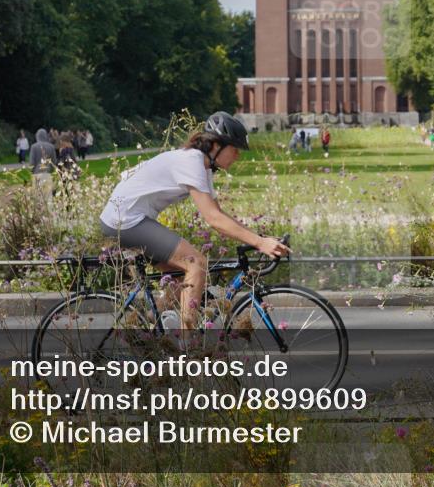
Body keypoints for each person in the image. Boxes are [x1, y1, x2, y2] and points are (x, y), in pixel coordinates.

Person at [99, 112, 291, 330]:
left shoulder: (203, 166)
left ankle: (147, 331)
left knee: (180, 277)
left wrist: (259, 239)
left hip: (131, 220)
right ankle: (188, 349)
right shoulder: (191, 161)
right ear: (217, 146)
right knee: (196, 263)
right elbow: (213, 219)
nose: (237, 156)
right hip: (124, 221)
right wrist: (260, 243)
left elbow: (220, 215)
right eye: (235, 149)